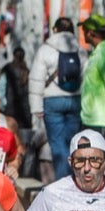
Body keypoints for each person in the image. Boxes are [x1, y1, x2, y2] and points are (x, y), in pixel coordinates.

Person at [29, 16, 85, 180]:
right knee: (71, 143)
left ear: (55, 29)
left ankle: (63, 181)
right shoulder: (79, 49)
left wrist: (36, 107)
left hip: (52, 101)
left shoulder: (46, 49)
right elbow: (86, 75)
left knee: (57, 144)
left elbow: (36, 79)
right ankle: (73, 180)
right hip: (75, 100)